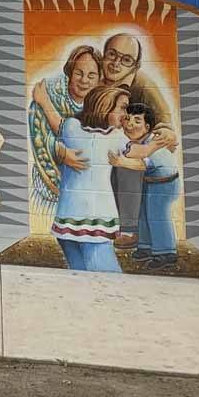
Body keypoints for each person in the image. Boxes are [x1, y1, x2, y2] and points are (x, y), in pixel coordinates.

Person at [99, 33, 176, 252]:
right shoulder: (93, 74)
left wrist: (152, 143)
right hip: (99, 143)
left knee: (127, 167)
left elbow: (165, 126)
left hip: (134, 151)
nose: (115, 64)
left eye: (125, 60)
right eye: (112, 55)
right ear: (103, 54)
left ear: (136, 65)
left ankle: (130, 230)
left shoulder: (143, 84)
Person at [50, 84, 131, 272]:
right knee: (107, 276)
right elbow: (141, 152)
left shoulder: (70, 127)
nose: (126, 114)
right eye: (123, 107)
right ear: (105, 105)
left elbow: (53, 126)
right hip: (96, 219)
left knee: (80, 273)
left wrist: (43, 100)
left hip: (66, 218)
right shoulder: (117, 137)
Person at [28, 45, 102, 214]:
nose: (84, 80)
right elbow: (38, 135)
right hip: (47, 191)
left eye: (91, 75)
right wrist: (60, 151)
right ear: (69, 72)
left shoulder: (103, 103)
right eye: (79, 73)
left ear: (99, 78)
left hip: (87, 193)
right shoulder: (48, 94)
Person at [110, 102, 181, 270]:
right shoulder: (138, 143)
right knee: (142, 213)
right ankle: (145, 246)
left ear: (147, 126)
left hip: (164, 185)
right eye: (127, 119)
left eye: (137, 120)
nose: (130, 124)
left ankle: (166, 252)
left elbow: (142, 165)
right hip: (150, 182)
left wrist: (121, 161)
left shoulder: (155, 141)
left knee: (157, 216)